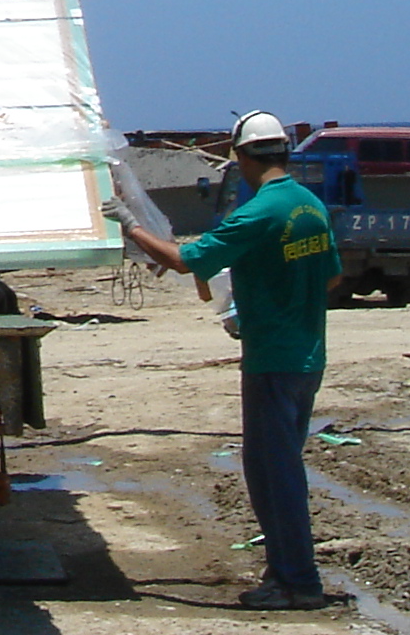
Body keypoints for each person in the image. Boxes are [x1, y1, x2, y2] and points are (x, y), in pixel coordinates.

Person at [120, 111, 340, 612]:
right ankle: (286, 572)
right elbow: (328, 278)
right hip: (307, 356)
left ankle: (297, 583)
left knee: (272, 472)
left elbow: (183, 261)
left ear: (242, 157)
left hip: (272, 359)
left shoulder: (259, 213)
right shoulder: (310, 207)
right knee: (281, 465)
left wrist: (131, 226)